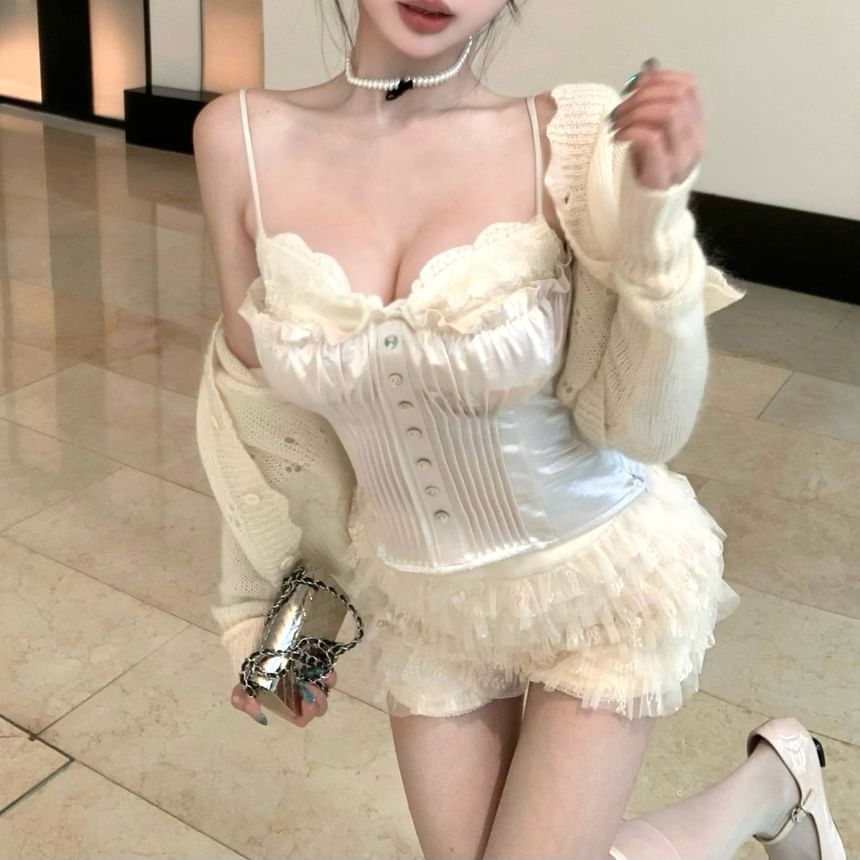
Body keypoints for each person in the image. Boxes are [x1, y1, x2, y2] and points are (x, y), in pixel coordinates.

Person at [192, 2, 846, 859]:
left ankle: (769, 790)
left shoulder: (566, 139)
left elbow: (643, 427)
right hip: (423, 604)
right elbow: (259, 420)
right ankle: (776, 786)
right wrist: (273, 622)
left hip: (599, 584)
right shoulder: (237, 139)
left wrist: (655, 228)